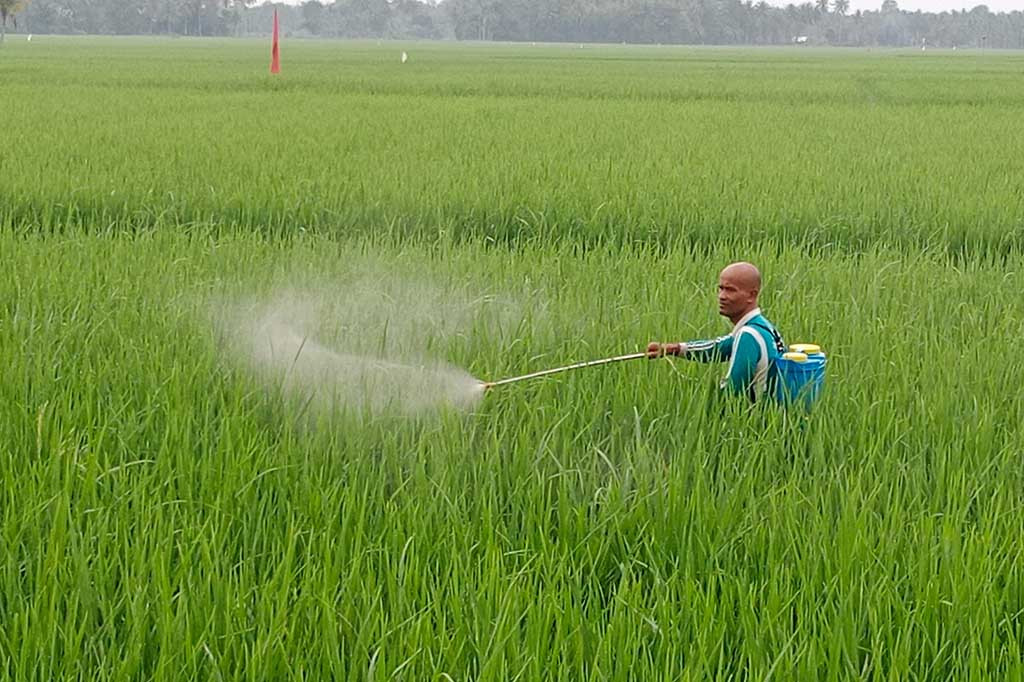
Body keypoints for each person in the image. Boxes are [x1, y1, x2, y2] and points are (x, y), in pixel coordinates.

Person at [647, 262, 786, 403]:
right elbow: (717, 348)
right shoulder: (763, 326)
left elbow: (732, 391)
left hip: (760, 413)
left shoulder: (748, 335)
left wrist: (695, 400)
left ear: (752, 295)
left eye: (730, 290)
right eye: (721, 288)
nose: (722, 296)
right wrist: (673, 349)